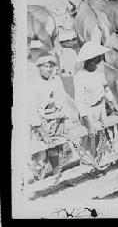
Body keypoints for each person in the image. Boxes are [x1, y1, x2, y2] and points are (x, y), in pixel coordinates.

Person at [73, 42, 118, 167]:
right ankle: (88, 165)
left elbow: (105, 88)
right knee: (90, 137)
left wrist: (113, 103)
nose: (100, 61)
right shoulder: (80, 77)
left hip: (101, 107)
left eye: (100, 58)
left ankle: (103, 160)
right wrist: (88, 122)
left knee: (103, 133)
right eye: (97, 59)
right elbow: (79, 102)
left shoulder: (99, 71)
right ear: (88, 61)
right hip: (88, 110)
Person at [29, 51, 69, 182]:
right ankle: (38, 182)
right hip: (40, 123)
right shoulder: (33, 84)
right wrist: (42, 131)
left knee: (56, 148)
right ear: (39, 66)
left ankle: (58, 176)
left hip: (55, 120)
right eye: (45, 66)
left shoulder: (56, 80)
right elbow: (31, 110)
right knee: (39, 156)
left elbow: (62, 100)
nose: (48, 69)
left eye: (51, 66)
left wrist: (61, 119)